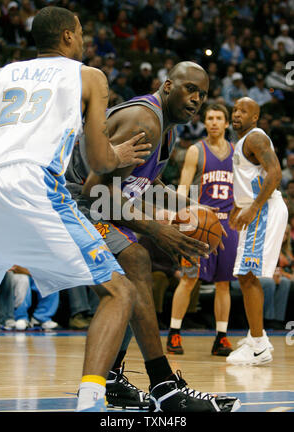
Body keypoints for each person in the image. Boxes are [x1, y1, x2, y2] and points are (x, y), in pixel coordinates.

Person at [0, 6, 155, 413]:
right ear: (67, 36)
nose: (84, 40)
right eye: (81, 32)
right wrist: (117, 153)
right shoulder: (88, 75)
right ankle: (91, 400)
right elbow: (99, 161)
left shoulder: (3, 74)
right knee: (119, 291)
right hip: (35, 184)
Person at [70, 61, 241, 412]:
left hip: (90, 203)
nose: (196, 99)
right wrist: (159, 229)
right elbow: (96, 190)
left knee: (136, 266)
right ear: (167, 86)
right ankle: (164, 387)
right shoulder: (145, 120)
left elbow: (146, 186)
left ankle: (115, 378)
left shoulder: (166, 129)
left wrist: (193, 210)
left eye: (203, 94)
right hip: (70, 200)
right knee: (137, 257)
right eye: (189, 89)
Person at [167, 103, 238, 356]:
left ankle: (221, 337)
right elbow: (184, 188)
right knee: (188, 279)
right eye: (210, 118)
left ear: (226, 123)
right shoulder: (196, 151)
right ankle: (174, 333)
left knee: (223, 284)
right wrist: (180, 217)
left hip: (227, 227)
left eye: (219, 118)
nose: (214, 122)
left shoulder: (236, 154)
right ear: (205, 122)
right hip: (199, 225)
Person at [226, 97, 288, 366]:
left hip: (264, 209)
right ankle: (255, 338)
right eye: (235, 109)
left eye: (244, 111)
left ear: (255, 118)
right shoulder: (242, 142)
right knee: (245, 275)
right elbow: (249, 179)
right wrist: (238, 206)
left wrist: (253, 208)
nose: (237, 114)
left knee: (247, 274)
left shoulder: (255, 138)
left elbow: (275, 174)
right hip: (255, 208)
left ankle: (259, 346)